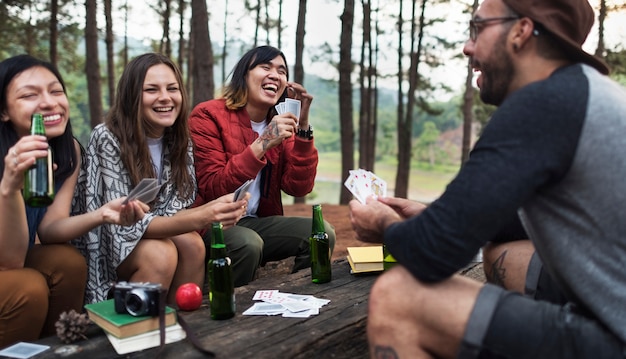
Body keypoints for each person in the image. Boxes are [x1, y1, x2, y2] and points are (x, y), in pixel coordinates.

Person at [348, 0, 626, 357]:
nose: (468, 46)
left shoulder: (540, 105)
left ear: (521, 32)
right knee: (504, 254)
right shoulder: (589, 93)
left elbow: (433, 254)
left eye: (477, 28)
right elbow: (507, 224)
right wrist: (432, 217)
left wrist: (385, 224)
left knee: (397, 296)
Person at [72, 53, 248, 304]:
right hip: (107, 243)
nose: (165, 98)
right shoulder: (108, 137)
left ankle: (179, 323)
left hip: (146, 231)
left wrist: (217, 208)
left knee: (193, 244)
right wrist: (205, 215)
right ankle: (137, 330)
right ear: (132, 95)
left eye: (172, 89)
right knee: (160, 254)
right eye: (151, 90)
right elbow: (123, 225)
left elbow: (172, 210)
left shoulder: (179, 139)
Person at [0, 55, 147, 348]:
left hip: (13, 256)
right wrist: (10, 187)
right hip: (8, 261)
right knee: (28, 286)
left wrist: (102, 214)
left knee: (68, 262)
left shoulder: (66, 151)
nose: (49, 103)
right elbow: (10, 261)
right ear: (3, 111)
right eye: (30, 95)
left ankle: (56, 348)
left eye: (56, 91)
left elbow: (50, 228)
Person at [189, 45, 336, 287]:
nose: (275, 75)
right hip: (213, 223)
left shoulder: (279, 121)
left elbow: (298, 187)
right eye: (265, 67)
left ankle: (298, 302)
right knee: (247, 243)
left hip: (258, 222)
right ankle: (227, 311)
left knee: (321, 233)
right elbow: (213, 186)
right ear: (244, 76)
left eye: (282, 71)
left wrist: (303, 128)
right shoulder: (208, 115)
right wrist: (264, 142)